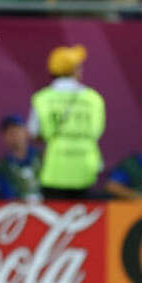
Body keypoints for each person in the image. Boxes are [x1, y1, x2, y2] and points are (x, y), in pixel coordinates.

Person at [29, 45, 106, 199]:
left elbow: (33, 133)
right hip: (86, 171)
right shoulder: (94, 99)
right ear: (75, 70)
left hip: (55, 171)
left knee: (55, 219)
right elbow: (97, 132)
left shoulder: (42, 99)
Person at [0, 114, 42, 203]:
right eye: (10, 132)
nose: (14, 135)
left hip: (48, 210)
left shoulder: (42, 159)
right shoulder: (2, 167)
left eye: (18, 130)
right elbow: (6, 195)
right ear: (4, 137)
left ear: (26, 132)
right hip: (18, 212)